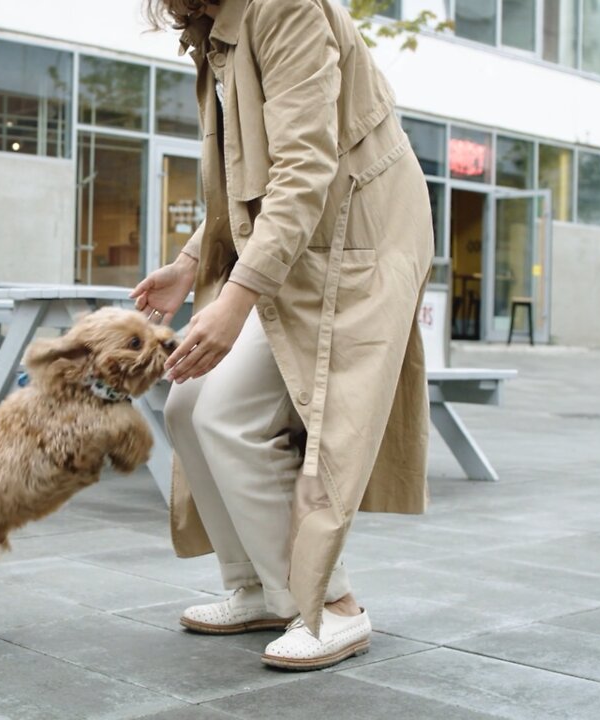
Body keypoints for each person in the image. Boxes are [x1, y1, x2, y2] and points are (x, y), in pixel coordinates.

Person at [132, 0, 434, 671]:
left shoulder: (285, 5)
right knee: (187, 407)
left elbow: (303, 167)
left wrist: (237, 297)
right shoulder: (217, 26)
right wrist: (189, 265)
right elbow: (244, 172)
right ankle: (261, 590)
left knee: (228, 415)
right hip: (300, 240)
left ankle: (331, 606)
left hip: (355, 240)